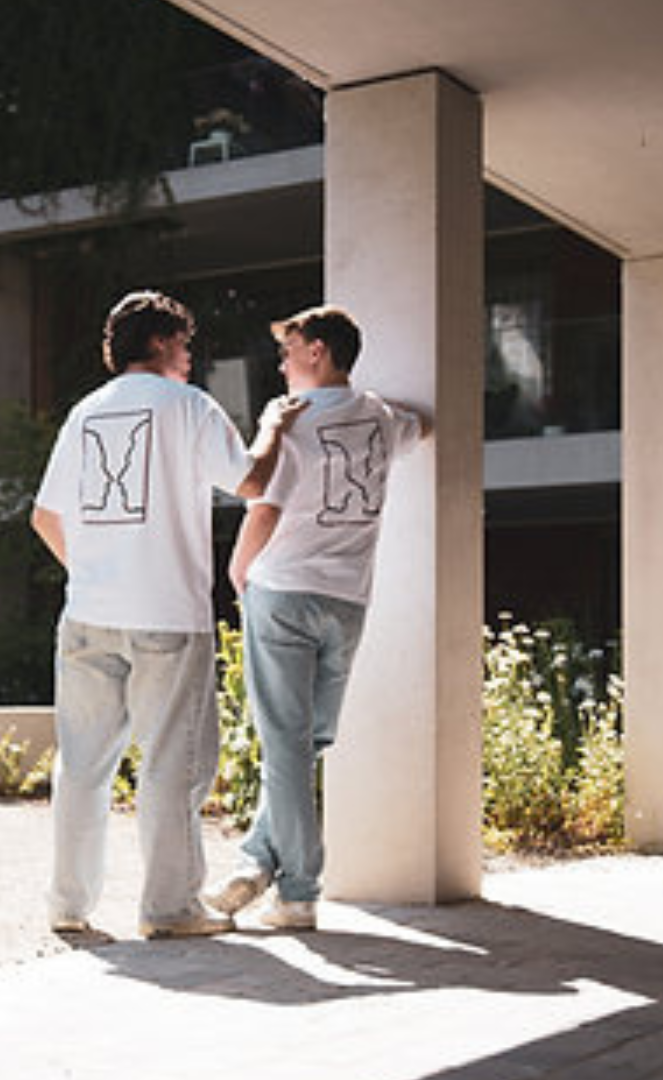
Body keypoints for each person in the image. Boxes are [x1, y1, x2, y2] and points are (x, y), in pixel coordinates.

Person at [31, 290, 304, 939]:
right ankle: (169, 907)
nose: (189, 359)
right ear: (160, 344)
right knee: (174, 764)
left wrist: (98, 573)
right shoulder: (189, 408)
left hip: (88, 615)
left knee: (83, 762)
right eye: (184, 346)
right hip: (167, 617)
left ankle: (68, 905)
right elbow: (251, 482)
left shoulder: (84, 413)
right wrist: (274, 426)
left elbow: (44, 517)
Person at [205, 305, 430, 930]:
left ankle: (298, 892)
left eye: (289, 350)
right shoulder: (383, 418)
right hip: (348, 601)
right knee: (306, 744)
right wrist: (376, 414)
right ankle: (256, 862)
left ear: (320, 352)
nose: (280, 363)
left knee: (286, 745)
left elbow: (263, 508)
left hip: (282, 591)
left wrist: (235, 569)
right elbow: (426, 425)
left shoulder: (292, 424)